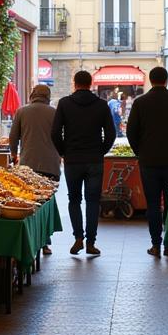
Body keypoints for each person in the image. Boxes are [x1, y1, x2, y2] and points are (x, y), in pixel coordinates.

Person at [126, 67, 168, 258]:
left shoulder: (140, 103)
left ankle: (155, 244)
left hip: (148, 161)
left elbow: (131, 132)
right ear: (166, 80)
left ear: (150, 80)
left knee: (153, 203)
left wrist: (140, 151)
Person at [52, 70, 116, 256]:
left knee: (74, 199)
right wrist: (101, 150)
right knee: (93, 201)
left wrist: (64, 152)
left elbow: (55, 132)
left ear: (74, 83)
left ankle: (78, 238)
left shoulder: (64, 104)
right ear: (91, 84)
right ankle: (91, 242)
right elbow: (111, 134)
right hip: (94, 160)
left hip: (72, 160)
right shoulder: (101, 105)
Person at [8, 84, 61, 255]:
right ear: (48, 96)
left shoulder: (22, 111)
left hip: (28, 164)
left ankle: (32, 241)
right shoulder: (54, 112)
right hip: (51, 165)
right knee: (47, 203)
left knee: (30, 201)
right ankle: (45, 243)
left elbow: (13, 137)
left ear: (32, 94)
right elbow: (61, 137)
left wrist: (14, 155)